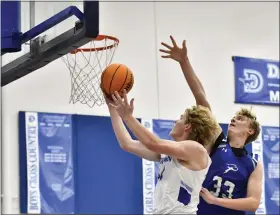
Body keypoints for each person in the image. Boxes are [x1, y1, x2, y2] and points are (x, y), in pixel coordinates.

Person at [159, 36, 263, 215]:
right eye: (234, 116)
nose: (234, 119)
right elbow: (201, 98)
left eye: (240, 119)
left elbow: (253, 203)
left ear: (250, 130)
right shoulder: (217, 140)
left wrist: (216, 200)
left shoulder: (253, 164)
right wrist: (184, 61)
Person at [103, 89, 220, 214]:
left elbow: (153, 143)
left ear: (187, 126)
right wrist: (112, 107)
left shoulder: (196, 150)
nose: (175, 121)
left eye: (181, 119)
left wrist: (127, 117)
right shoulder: (170, 153)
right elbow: (127, 144)